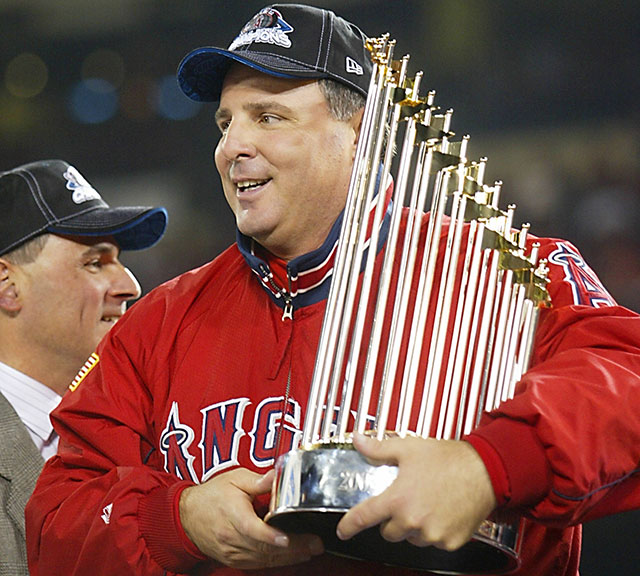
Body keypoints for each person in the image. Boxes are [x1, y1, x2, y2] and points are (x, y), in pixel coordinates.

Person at [25, 5, 640, 576]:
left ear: (360, 132)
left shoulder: (506, 270)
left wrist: (489, 465)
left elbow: (626, 380)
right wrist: (176, 518)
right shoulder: (160, 321)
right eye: (224, 122)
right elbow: (54, 521)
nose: (232, 147)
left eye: (268, 117)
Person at [0, 158, 167, 575]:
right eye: (95, 262)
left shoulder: (142, 427)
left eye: (119, 260)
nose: (130, 285)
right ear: (8, 286)